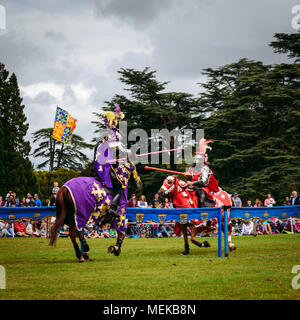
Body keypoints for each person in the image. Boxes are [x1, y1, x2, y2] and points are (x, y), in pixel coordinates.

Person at [186, 138, 220, 205]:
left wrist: (191, 183)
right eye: (196, 159)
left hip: (202, 188)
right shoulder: (191, 168)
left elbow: (204, 181)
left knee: (201, 198)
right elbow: (189, 179)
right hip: (191, 188)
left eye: (199, 159)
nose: (197, 161)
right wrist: (188, 177)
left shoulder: (205, 168)